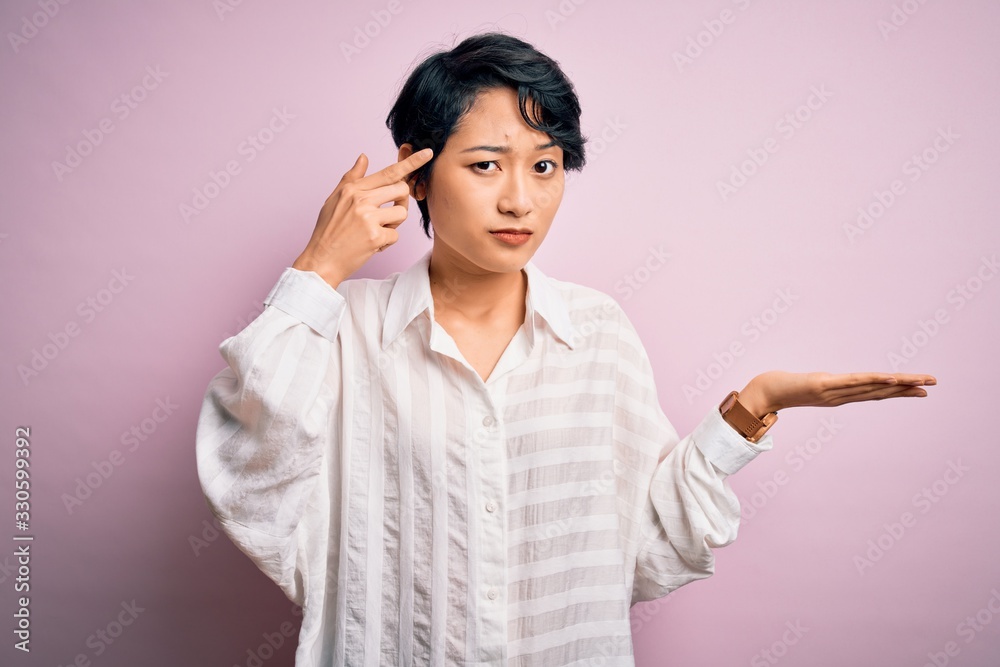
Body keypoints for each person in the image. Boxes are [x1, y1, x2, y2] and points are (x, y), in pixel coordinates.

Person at [195, 31, 935, 666]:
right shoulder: (344, 330)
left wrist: (755, 406)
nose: (520, 199)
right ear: (415, 173)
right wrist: (319, 266)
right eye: (485, 164)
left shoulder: (597, 331)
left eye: (544, 166)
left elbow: (643, 549)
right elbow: (253, 482)